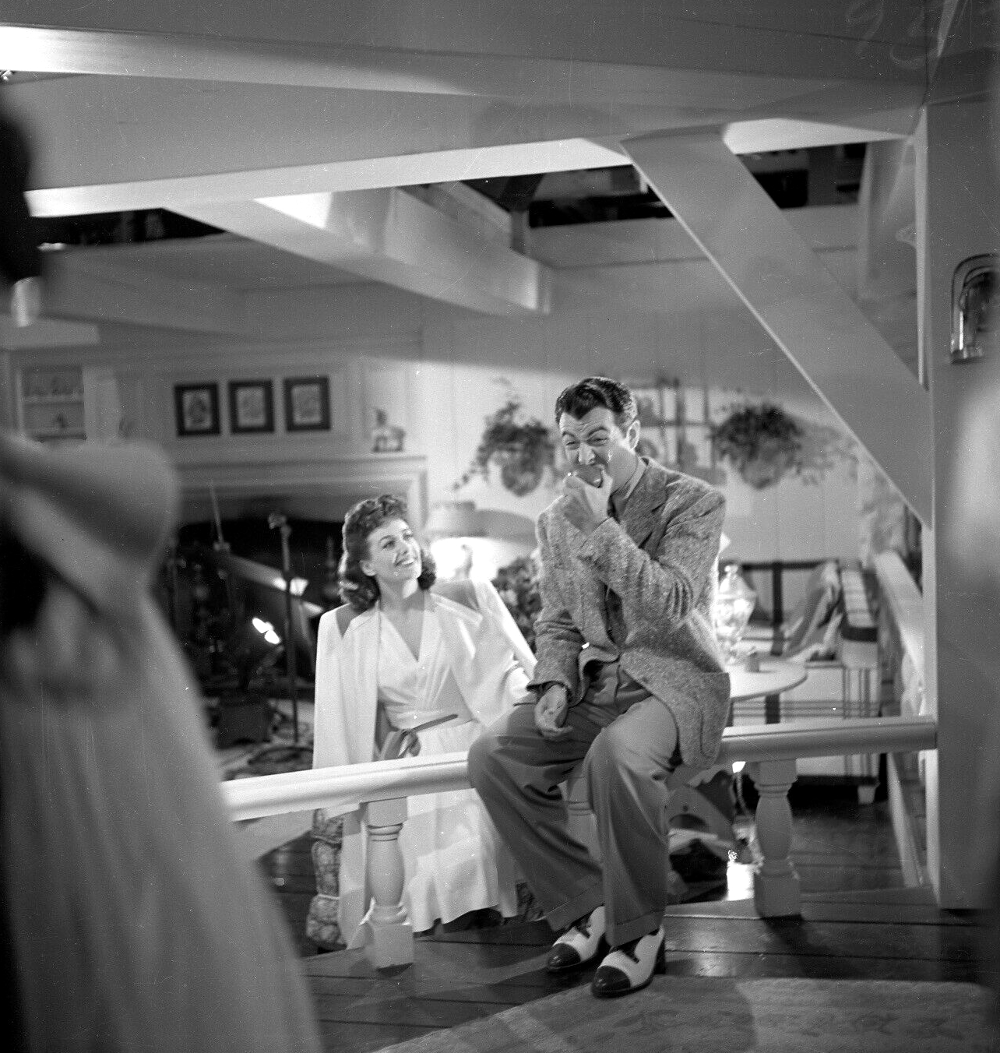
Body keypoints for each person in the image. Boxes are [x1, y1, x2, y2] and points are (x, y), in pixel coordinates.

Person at [468, 376, 730, 999]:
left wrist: (601, 528)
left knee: (618, 757)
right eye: (570, 442)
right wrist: (555, 680)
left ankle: (639, 932)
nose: (584, 457)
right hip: (595, 683)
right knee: (492, 756)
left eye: (598, 439)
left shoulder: (692, 503)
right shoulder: (555, 522)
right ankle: (587, 906)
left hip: (674, 679)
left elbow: (669, 603)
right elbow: (558, 619)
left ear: (631, 434)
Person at [308, 494, 535, 948]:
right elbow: (335, 720)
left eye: (407, 535)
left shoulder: (466, 599)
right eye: (388, 543)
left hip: (472, 752)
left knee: (477, 863)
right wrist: (338, 795)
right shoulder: (346, 629)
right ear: (366, 565)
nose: (405, 548)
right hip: (407, 760)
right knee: (420, 878)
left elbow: (511, 673)